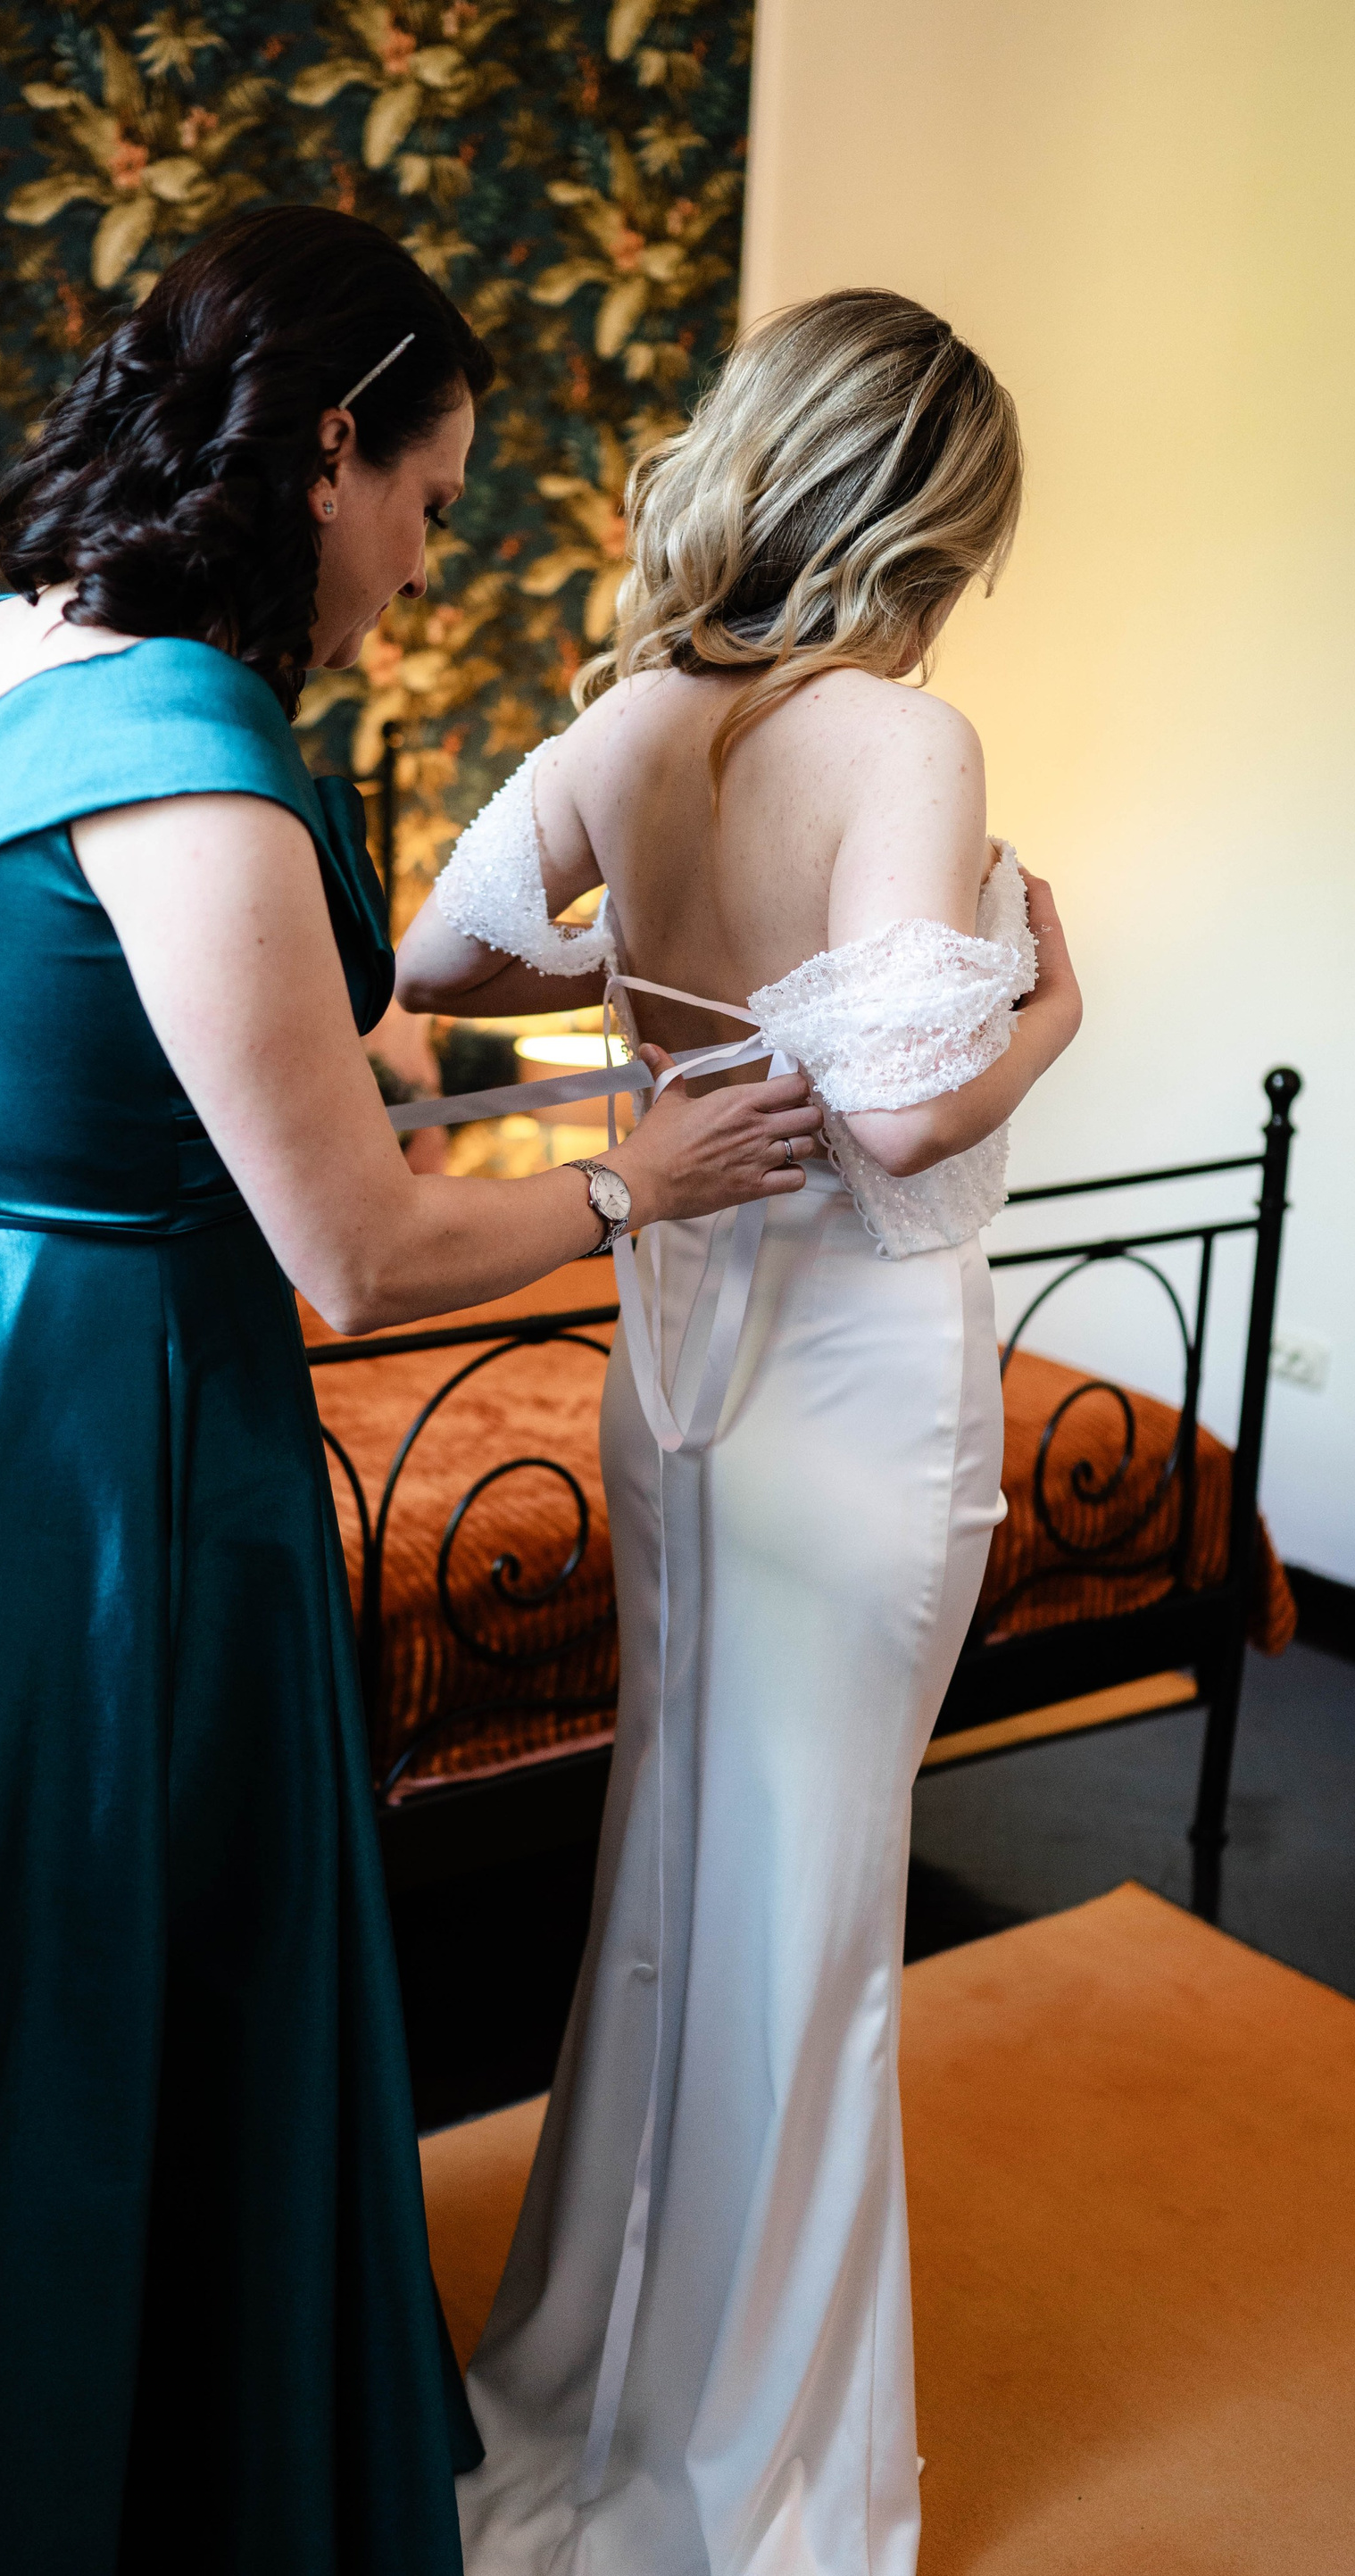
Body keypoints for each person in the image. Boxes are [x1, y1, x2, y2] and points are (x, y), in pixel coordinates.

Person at [0, 208, 824, 2576]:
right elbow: (356, 1253)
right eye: (429, 495)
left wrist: (78, 1126)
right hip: (97, 1440)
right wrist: (638, 1178)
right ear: (325, 448)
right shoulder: (200, 750)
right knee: (92, 1964)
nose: (424, 557)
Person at [395, 289, 1083, 2576]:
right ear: (929, 517)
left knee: (683, 1878)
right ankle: (742, 2479)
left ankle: (607, 2380)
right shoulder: (903, 737)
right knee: (812, 1916)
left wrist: (653, 999)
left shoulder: (638, 719)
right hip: (854, 1389)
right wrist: (1049, 1009)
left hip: (679, 1366)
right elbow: (897, 1120)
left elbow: (440, 962)